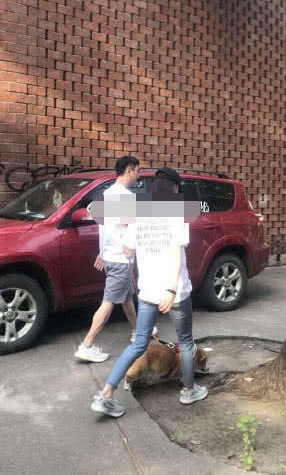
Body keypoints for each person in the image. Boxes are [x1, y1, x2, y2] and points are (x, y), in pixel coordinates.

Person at [90, 167, 208, 417]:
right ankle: (189, 390)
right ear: (175, 188)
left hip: (147, 293)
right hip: (175, 292)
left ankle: (105, 395)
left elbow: (128, 250)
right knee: (186, 342)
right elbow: (176, 254)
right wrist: (171, 289)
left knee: (138, 344)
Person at [74, 156, 141, 362]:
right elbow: (128, 229)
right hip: (121, 259)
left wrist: (102, 253)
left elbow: (105, 228)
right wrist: (131, 250)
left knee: (127, 297)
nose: (138, 175)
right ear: (129, 170)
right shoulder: (126, 197)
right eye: (137, 171)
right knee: (109, 302)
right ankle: (87, 345)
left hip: (111, 257)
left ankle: (137, 332)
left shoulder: (107, 194)